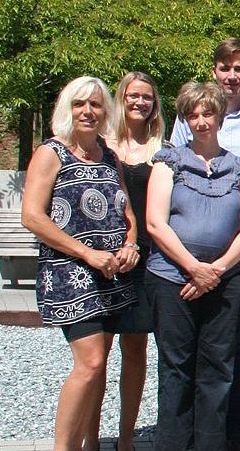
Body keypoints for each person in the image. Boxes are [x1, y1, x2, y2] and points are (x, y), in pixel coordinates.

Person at [169, 38, 240, 449]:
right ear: (215, 71)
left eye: (239, 68)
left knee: (231, 339)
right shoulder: (193, 113)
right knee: (187, 344)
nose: (231, 76)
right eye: (224, 67)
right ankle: (188, 434)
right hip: (190, 245)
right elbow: (175, 167)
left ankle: (230, 434)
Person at [24, 76, 139, 451]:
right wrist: (86, 253)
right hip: (70, 274)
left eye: (95, 104)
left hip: (113, 276)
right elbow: (33, 217)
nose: (87, 111)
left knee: (99, 366)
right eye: (79, 104)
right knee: (89, 363)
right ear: (66, 108)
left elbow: (126, 211)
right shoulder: (50, 152)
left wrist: (131, 243)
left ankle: (90, 444)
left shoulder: (107, 154)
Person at [147, 81, 240, 451]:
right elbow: (155, 223)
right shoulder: (168, 163)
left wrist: (216, 270)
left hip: (225, 282)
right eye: (192, 115)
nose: (200, 121)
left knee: (218, 367)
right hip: (171, 278)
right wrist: (193, 267)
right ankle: (174, 444)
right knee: (177, 367)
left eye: (207, 112)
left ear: (220, 115)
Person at [100, 71, 168, 451]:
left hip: (146, 257)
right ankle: (90, 436)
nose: (139, 102)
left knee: (136, 347)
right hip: (106, 257)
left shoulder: (161, 147)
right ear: (121, 98)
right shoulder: (102, 145)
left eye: (146, 96)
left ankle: (126, 437)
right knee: (97, 352)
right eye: (132, 95)